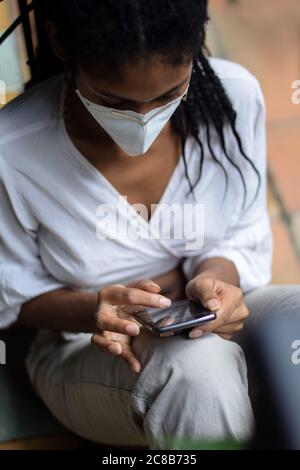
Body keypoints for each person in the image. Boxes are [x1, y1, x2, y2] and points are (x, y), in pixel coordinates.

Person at [0, 0, 299, 450]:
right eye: (114, 101)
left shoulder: (235, 99)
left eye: (168, 95)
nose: (144, 120)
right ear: (61, 44)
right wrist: (94, 309)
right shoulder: (13, 151)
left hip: (201, 320)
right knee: (197, 367)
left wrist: (216, 281)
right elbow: (10, 293)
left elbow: (241, 232)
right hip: (85, 348)